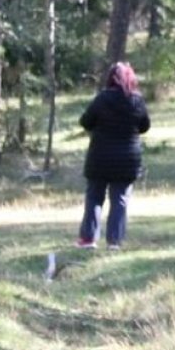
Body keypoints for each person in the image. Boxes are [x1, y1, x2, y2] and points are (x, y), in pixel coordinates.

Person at [76, 61, 151, 250]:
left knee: (94, 197)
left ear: (110, 78)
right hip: (127, 159)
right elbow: (144, 126)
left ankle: (88, 239)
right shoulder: (136, 100)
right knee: (120, 200)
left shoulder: (102, 99)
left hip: (100, 157)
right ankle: (114, 241)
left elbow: (86, 121)